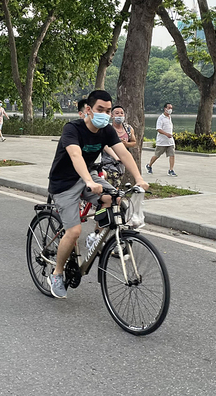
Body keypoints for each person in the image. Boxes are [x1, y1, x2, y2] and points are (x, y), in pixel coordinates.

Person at [46, 90, 149, 299]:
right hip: (64, 183)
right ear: (88, 110)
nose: (105, 114)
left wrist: (139, 178)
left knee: (116, 199)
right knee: (74, 232)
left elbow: (124, 153)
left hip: (89, 177)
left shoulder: (107, 131)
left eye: (108, 110)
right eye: (100, 109)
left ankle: (96, 236)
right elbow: (75, 155)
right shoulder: (72, 129)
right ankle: (56, 274)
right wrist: (89, 181)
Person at [101, 105, 137, 188]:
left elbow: (134, 142)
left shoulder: (128, 128)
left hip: (121, 161)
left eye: (122, 113)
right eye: (117, 113)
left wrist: (126, 144)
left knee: (117, 182)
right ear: (112, 115)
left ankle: (115, 198)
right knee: (110, 181)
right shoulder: (107, 128)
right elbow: (104, 145)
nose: (120, 115)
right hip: (108, 161)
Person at [146, 103, 177, 177]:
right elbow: (158, 129)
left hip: (170, 141)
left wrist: (170, 135)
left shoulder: (169, 117)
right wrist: (166, 134)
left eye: (171, 108)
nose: (170, 109)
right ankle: (149, 165)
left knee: (172, 155)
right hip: (162, 142)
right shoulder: (161, 118)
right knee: (157, 155)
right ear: (165, 108)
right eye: (169, 108)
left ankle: (171, 170)